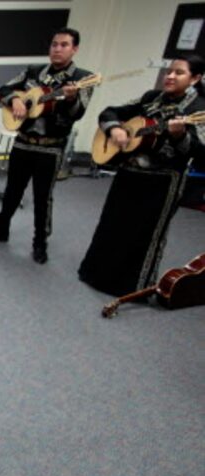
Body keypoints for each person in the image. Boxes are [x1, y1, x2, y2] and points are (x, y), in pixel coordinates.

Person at [78, 55, 205, 296]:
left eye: (179, 73)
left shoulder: (199, 109)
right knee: (112, 224)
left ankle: (131, 286)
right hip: (130, 173)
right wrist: (115, 129)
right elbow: (110, 112)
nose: (170, 76)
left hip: (162, 180)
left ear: (195, 78)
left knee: (144, 233)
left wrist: (179, 136)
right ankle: (96, 275)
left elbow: (200, 152)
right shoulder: (151, 98)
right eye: (169, 71)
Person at [0, 27, 93, 264]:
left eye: (64, 45)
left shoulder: (81, 78)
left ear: (75, 49)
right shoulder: (34, 71)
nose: (57, 49)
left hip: (50, 146)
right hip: (23, 142)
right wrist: (16, 99)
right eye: (54, 44)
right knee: (12, 191)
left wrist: (70, 98)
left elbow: (78, 113)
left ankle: (40, 242)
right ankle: (0, 229)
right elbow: (4, 89)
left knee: (42, 197)